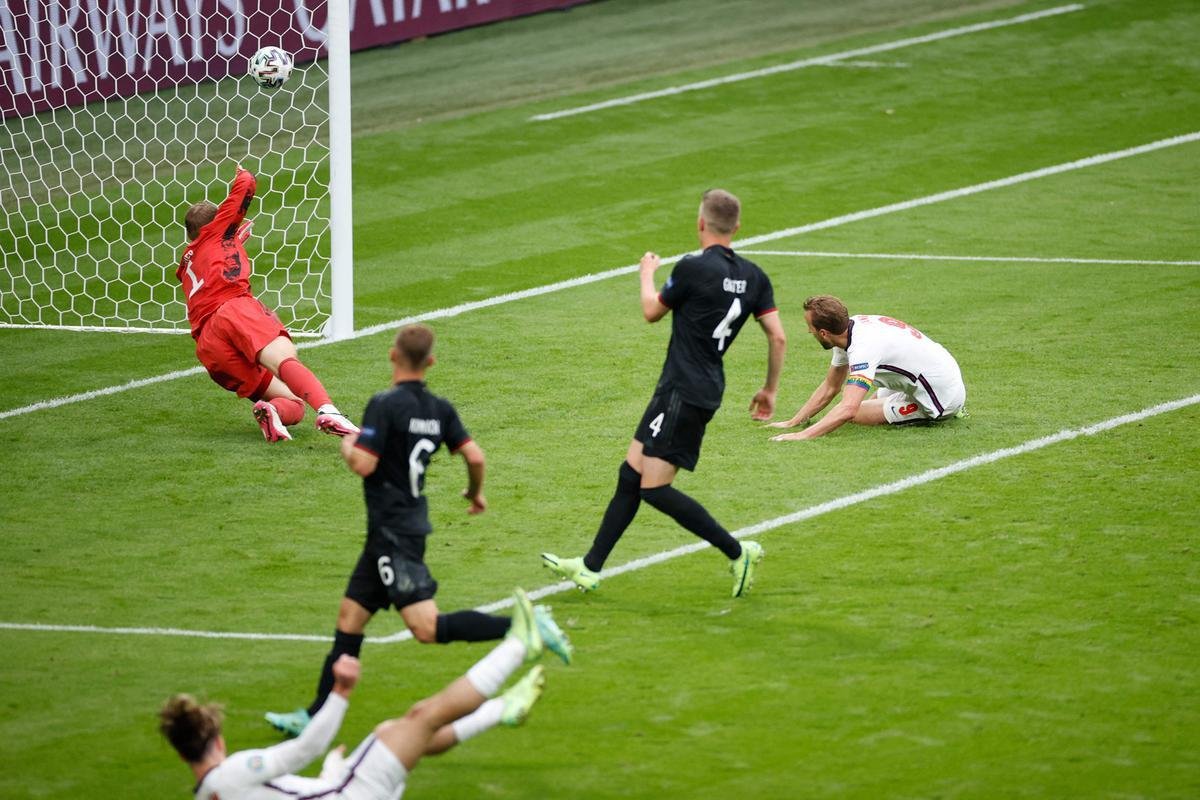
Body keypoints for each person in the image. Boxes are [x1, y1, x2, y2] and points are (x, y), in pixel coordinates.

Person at [266, 324, 572, 737]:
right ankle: (315, 715)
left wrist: (347, 446)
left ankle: (525, 625)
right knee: (350, 618)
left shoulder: (384, 405)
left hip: (394, 533)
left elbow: (364, 464)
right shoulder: (439, 409)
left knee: (425, 628)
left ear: (393, 356)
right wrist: (475, 494)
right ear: (431, 362)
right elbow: (475, 457)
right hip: (394, 530)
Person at [542, 189, 786, 598]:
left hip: (683, 391)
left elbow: (651, 311)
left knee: (654, 488)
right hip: (692, 386)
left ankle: (737, 551)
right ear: (737, 227)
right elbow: (777, 337)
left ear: (701, 223)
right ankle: (589, 566)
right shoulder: (755, 276)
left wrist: (646, 273)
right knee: (631, 473)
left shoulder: (692, 267)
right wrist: (770, 390)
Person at [160, 589, 558, 800]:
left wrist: (333, 771)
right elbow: (306, 747)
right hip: (353, 793)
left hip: (343, 788)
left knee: (404, 729)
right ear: (217, 740)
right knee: (423, 718)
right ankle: (519, 645)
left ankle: (503, 708)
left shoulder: (211, 795)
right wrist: (341, 691)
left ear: (181, 755)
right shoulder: (233, 772)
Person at [178, 164, 358, 442]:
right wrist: (242, 173)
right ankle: (328, 411)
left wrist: (234, 238)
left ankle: (271, 411)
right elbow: (246, 186)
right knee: (284, 358)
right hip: (233, 310)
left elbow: (215, 256)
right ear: (214, 223)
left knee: (294, 403)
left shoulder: (187, 262)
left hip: (210, 346)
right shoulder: (218, 232)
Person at [768, 294, 966, 441]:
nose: (808, 330)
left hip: (941, 395)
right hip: (936, 372)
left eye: (810, 327)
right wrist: (794, 422)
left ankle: (951, 409)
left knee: (856, 414)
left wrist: (802, 435)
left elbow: (848, 409)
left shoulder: (863, 348)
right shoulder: (848, 330)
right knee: (863, 407)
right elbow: (831, 387)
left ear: (824, 333)